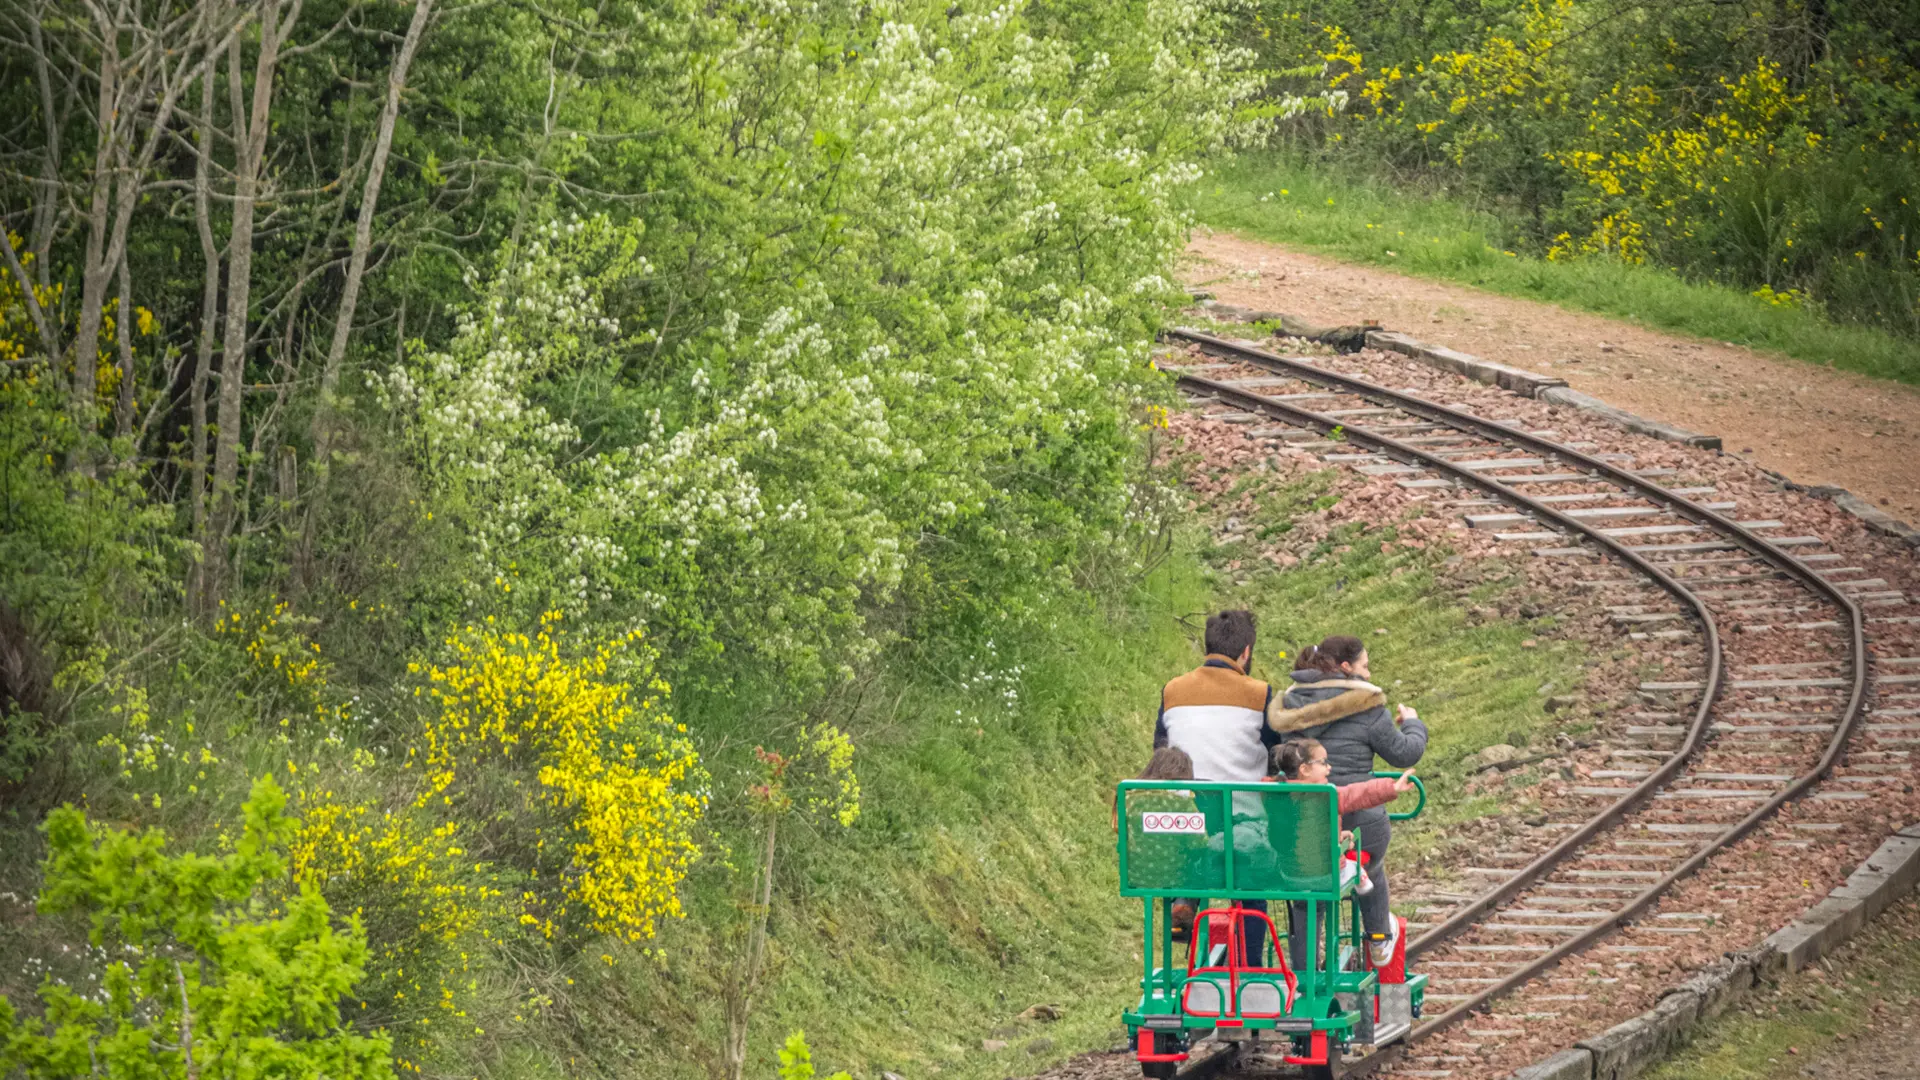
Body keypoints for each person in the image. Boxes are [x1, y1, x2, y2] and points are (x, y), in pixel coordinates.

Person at [1155, 610, 1332, 963]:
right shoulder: (1259, 694)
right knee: (1253, 886)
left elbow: (1161, 750)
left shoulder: (1172, 691)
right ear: (1246, 653)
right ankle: (1250, 969)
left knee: (1193, 867)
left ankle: (1185, 904)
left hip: (1183, 818)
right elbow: (1276, 752)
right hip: (1238, 818)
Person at [1270, 635, 1427, 968]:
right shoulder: (1367, 704)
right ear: (1345, 668)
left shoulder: (1287, 707)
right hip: (1360, 822)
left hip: (1303, 826)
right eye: (1365, 666)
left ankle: (1304, 966)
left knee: (1306, 891)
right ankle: (1379, 940)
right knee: (1372, 864)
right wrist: (1412, 723)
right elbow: (1405, 753)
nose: (1368, 676)